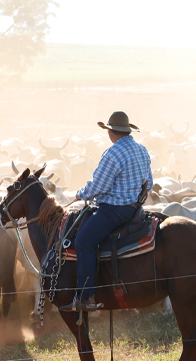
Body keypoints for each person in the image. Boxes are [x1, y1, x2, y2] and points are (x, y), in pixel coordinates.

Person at [60, 111, 153, 312]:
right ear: (127, 130)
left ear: (111, 132)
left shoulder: (113, 153)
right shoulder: (142, 149)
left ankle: (86, 297)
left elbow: (98, 187)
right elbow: (150, 183)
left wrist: (80, 194)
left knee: (83, 241)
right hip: (136, 210)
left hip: (114, 211)